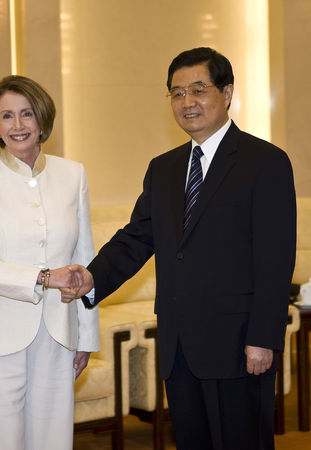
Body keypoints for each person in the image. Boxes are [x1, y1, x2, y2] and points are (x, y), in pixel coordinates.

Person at [61, 47, 297, 450]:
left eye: (198, 89)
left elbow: (275, 260)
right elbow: (137, 237)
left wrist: (263, 337)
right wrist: (92, 276)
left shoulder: (265, 161)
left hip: (239, 344)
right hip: (179, 347)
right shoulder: (164, 168)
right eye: (176, 93)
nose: (187, 102)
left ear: (227, 93)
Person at [0, 75, 99, 450]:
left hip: (59, 334)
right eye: (7, 116)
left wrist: (87, 336)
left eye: (27, 114)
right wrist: (44, 277)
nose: (18, 126)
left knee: (53, 440)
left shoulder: (73, 174)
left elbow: (85, 260)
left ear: (42, 118)